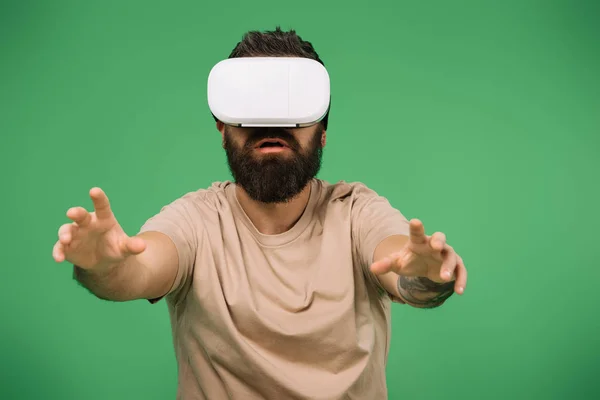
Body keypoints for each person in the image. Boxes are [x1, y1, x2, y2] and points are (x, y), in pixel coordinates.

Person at [52, 27, 467, 400]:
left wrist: (427, 275)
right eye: (252, 105)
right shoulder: (196, 220)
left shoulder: (356, 212)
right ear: (221, 128)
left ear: (323, 130)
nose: (271, 125)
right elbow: (140, 268)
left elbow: (401, 266)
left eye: (291, 105)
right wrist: (104, 265)